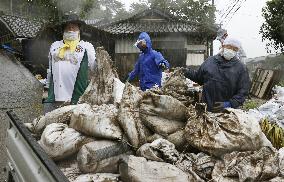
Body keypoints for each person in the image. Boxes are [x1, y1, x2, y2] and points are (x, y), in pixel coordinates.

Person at [182, 37, 250, 112]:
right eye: (229, 47)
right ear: (223, 46)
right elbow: (199, 78)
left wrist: (230, 104)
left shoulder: (241, 68)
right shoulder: (210, 61)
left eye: (235, 49)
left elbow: (243, 91)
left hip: (227, 113)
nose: (231, 50)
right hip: (206, 109)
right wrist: (186, 72)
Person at [44, 14, 96, 113]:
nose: (71, 28)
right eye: (67, 26)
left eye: (74, 26)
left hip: (77, 100)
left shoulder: (86, 47)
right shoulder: (54, 46)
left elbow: (95, 70)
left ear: (79, 29)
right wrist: (47, 87)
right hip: (55, 98)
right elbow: (50, 69)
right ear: (63, 29)